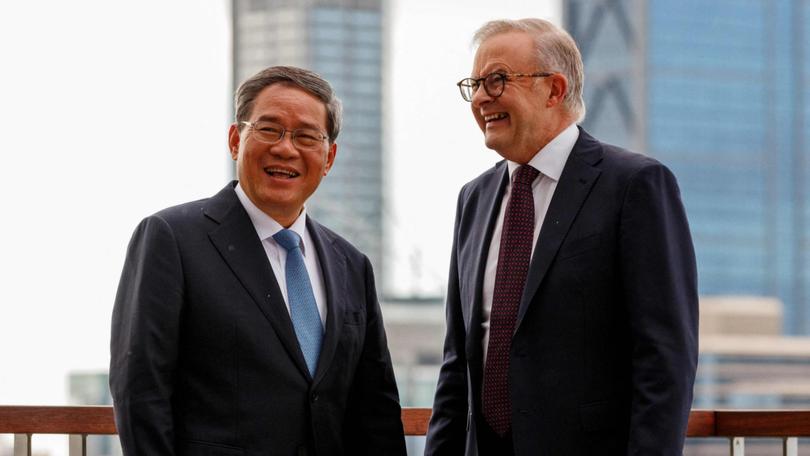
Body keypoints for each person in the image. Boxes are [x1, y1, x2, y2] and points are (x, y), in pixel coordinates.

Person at [425, 18, 698, 456]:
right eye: (474, 84)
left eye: (496, 81)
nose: (479, 98)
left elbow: (665, 361)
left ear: (554, 89)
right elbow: (457, 365)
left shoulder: (635, 185)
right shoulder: (473, 198)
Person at [110, 65, 406, 456]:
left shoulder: (351, 264)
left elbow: (375, 409)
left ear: (329, 156)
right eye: (269, 129)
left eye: (306, 136)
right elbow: (141, 391)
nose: (286, 148)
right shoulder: (171, 238)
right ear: (236, 140)